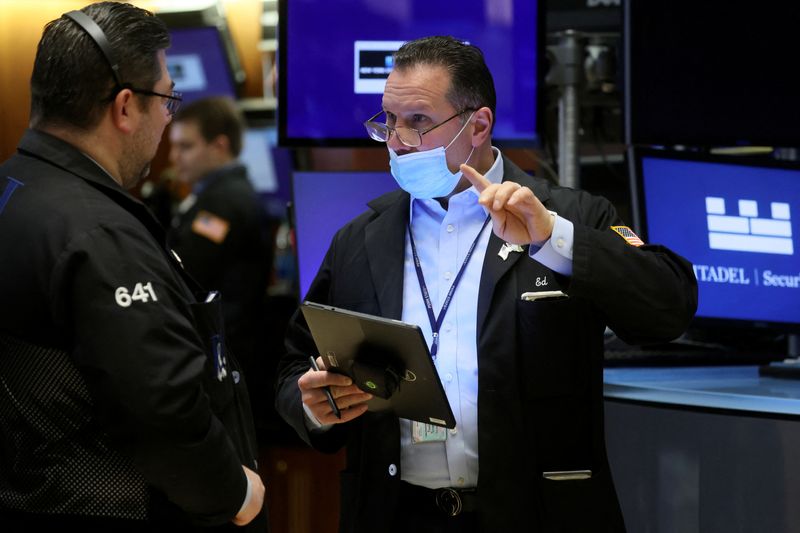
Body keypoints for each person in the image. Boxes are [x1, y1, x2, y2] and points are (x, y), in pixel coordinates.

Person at [275, 36, 697, 533]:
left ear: (478, 126)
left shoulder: (569, 216)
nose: (396, 140)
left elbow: (670, 306)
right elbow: (292, 365)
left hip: (535, 514)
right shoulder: (360, 239)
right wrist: (315, 405)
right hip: (395, 513)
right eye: (388, 120)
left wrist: (552, 239)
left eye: (418, 122)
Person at [0, 3, 266, 531]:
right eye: (168, 100)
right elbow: (162, 409)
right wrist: (233, 491)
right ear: (125, 107)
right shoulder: (98, 233)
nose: (169, 119)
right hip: (101, 501)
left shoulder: (14, 187)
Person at [167, 97, 273, 430]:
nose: (174, 157)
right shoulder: (215, 194)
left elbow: (185, 276)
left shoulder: (224, 202)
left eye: (185, 146)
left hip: (223, 355)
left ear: (220, 146)